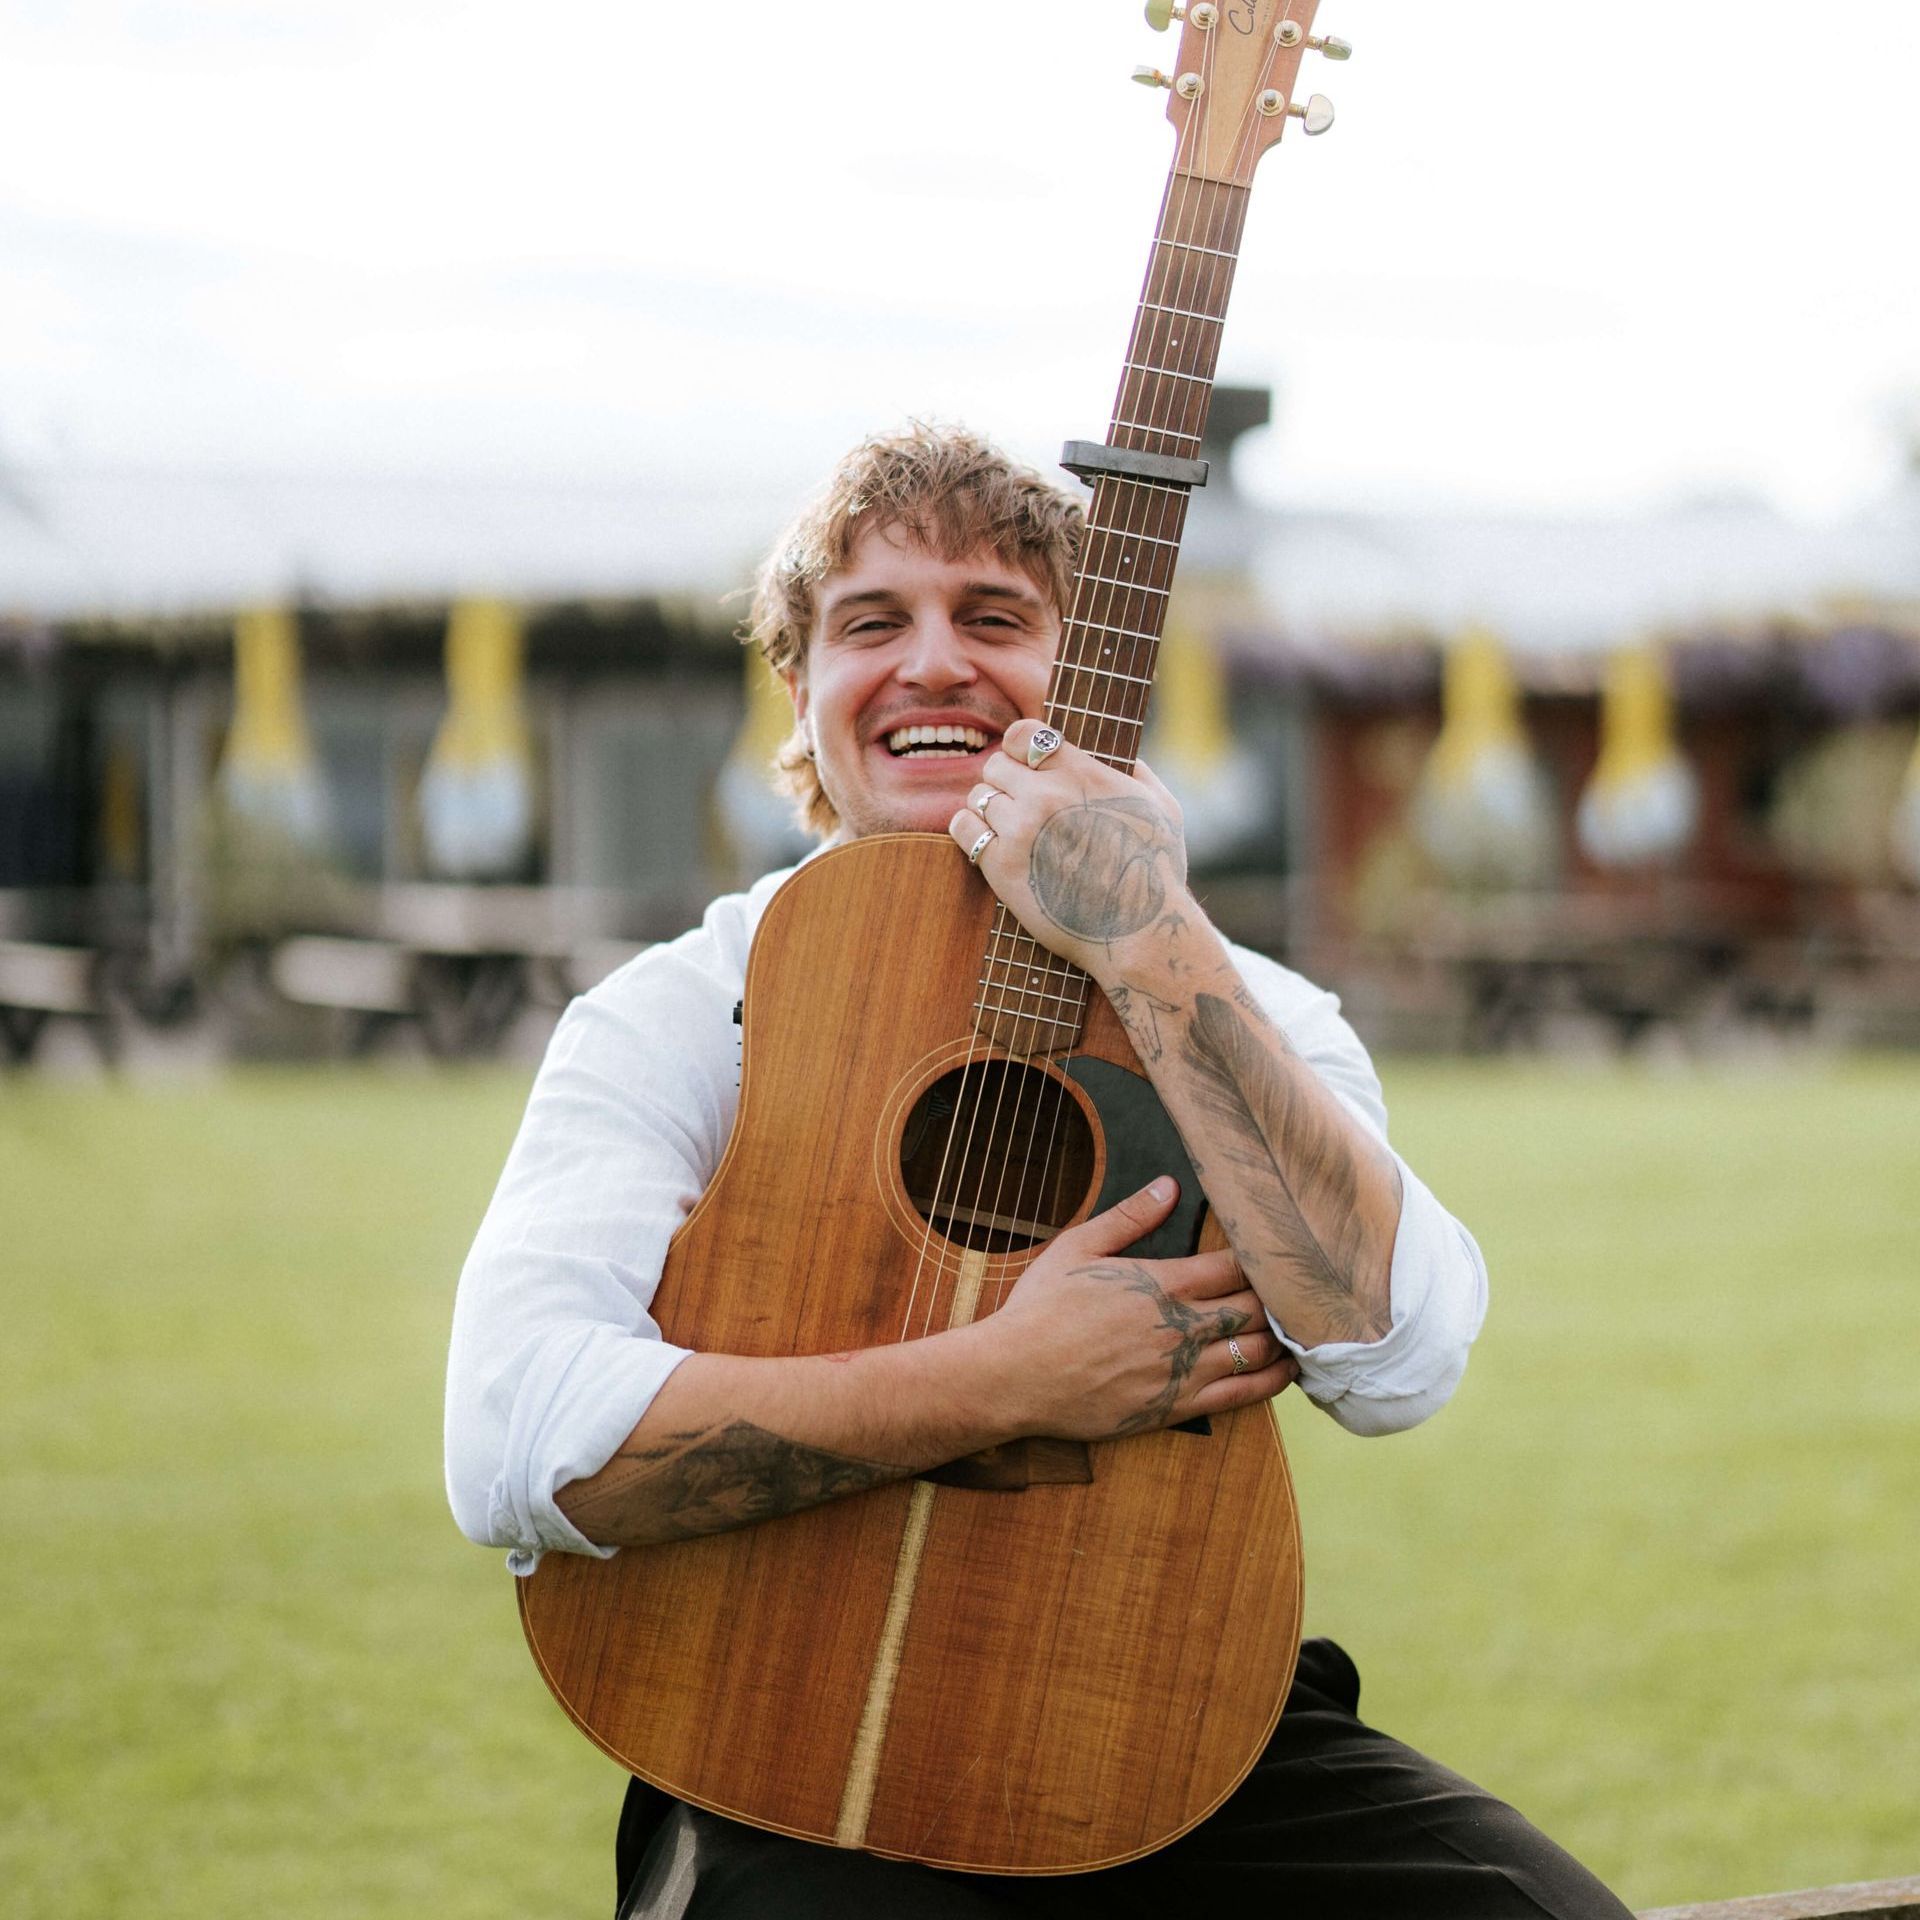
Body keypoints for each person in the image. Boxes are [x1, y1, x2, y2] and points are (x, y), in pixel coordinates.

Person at [445, 425, 1633, 1920]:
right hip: (785, 1730)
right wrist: (1008, 1377)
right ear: (801, 706)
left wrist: (1147, 939)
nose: (933, 662)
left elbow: (1400, 1357)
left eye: (994, 619)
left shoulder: (1237, 1001)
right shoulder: (682, 1015)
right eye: (871, 624)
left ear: (1096, 686)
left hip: (1159, 1719)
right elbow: (515, 1445)